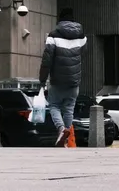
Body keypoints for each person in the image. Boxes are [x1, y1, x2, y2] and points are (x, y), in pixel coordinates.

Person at [38, 8, 85, 148]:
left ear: (60, 20)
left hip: (57, 80)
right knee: (69, 108)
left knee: (54, 105)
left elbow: (47, 60)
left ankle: (61, 129)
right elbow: (83, 52)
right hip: (74, 81)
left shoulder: (53, 35)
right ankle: (66, 137)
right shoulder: (81, 36)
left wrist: (42, 79)